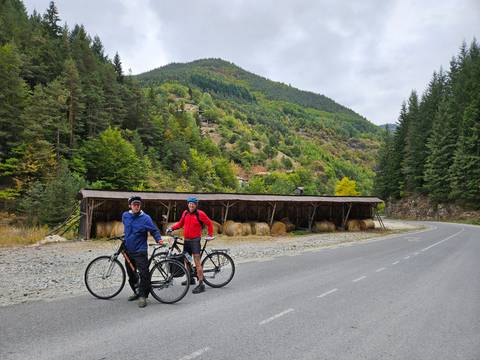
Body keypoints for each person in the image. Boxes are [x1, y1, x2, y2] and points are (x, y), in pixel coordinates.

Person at [167, 197, 214, 294]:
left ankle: (201, 284)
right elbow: (180, 224)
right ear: (188, 204)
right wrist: (171, 228)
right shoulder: (185, 213)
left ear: (196, 205)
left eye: (193, 204)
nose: (191, 205)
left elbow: (209, 223)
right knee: (186, 260)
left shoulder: (200, 214)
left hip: (195, 241)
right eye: (189, 204)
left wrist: (210, 235)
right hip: (187, 241)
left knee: (197, 262)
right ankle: (190, 278)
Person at [122, 195, 162, 308]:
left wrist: (158, 239)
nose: (136, 206)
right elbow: (127, 230)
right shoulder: (125, 216)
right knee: (131, 274)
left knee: (144, 274)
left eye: (138, 205)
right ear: (130, 205)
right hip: (128, 250)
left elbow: (154, 230)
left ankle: (143, 296)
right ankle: (136, 291)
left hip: (140, 250)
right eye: (134, 204)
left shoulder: (146, 218)